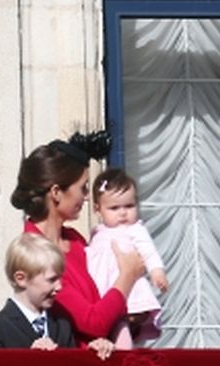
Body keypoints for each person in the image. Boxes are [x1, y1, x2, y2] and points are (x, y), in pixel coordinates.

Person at [11, 133, 144, 346]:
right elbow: (93, 322)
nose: (87, 196)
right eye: (83, 188)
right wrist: (128, 275)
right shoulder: (34, 256)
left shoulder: (75, 240)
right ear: (56, 192)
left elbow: (104, 298)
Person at [0, 233, 114, 359]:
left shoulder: (62, 324)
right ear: (21, 279)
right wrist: (30, 359)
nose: (59, 287)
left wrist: (91, 356)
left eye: (60, 279)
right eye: (51, 280)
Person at [85, 168, 168, 349]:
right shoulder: (97, 232)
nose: (123, 213)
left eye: (129, 206)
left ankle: (125, 350)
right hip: (102, 288)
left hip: (129, 292)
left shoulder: (135, 230)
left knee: (122, 323)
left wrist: (157, 272)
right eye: (114, 208)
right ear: (98, 210)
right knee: (106, 325)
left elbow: (148, 251)